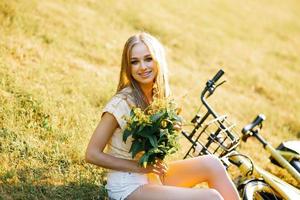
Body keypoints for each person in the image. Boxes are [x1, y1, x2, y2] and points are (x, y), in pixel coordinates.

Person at [85, 32, 240, 200]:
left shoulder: (159, 97)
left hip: (152, 177)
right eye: (134, 62)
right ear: (128, 67)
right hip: (127, 185)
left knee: (213, 164)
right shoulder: (121, 103)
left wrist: (169, 132)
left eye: (148, 59)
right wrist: (140, 167)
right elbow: (92, 154)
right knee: (211, 198)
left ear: (158, 60)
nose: (142, 67)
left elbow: (152, 149)